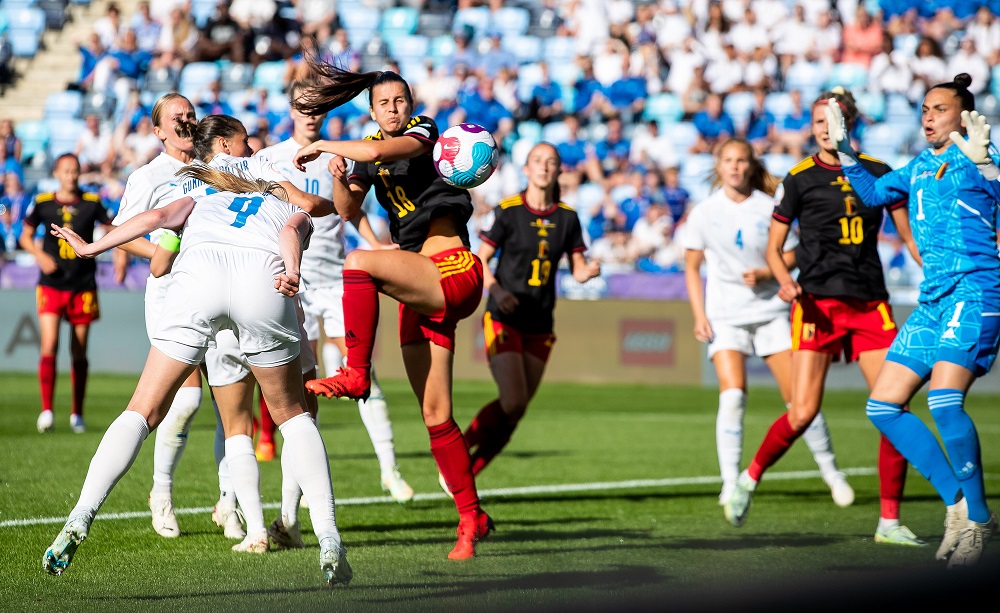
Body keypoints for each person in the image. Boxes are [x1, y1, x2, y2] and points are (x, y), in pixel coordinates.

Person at [42, 165, 352, 587]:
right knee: (292, 416)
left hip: (198, 277)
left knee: (143, 410)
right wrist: (293, 273)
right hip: (262, 278)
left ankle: (81, 512)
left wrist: (91, 248)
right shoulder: (287, 208)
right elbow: (289, 236)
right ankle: (329, 536)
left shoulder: (201, 199)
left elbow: (153, 220)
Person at [289, 59, 494, 560]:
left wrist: (323, 145)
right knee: (436, 415)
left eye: (400, 100)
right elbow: (345, 209)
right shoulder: (364, 150)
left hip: (452, 269)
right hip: (419, 289)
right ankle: (472, 518)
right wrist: (340, 175)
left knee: (360, 261)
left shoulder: (426, 132)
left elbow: (384, 151)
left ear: (411, 104)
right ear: (373, 109)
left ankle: (356, 374)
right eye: (384, 103)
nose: (394, 108)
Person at [723, 88, 925, 548]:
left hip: (870, 303)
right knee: (803, 412)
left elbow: (909, 238)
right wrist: (785, 280)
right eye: (818, 122)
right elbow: (775, 251)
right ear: (812, 128)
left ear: (849, 124)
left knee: (893, 408)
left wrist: (933, 267)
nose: (827, 129)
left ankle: (888, 522)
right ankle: (749, 478)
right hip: (817, 305)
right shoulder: (798, 179)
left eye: (835, 120)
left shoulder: (878, 173)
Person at [830, 74, 1000, 567]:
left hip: (975, 292)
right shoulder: (922, 163)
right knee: (882, 408)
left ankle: (980, 521)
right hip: (934, 301)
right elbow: (875, 193)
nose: (928, 116)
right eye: (925, 108)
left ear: (962, 115)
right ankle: (958, 506)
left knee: (945, 402)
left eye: (940, 109)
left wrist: (987, 164)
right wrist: (846, 153)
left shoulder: (976, 160)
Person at [256, 79, 415, 503]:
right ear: (291, 108)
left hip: (334, 280)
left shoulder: (337, 152)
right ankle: (295, 486)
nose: (311, 113)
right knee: (294, 387)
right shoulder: (267, 159)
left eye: (318, 107)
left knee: (364, 376)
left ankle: (389, 469)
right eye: (304, 106)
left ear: (326, 112)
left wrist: (376, 245)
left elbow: (349, 212)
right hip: (288, 285)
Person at [682, 138, 854, 508]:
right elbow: (692, 266)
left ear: (751, 165)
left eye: (741, 160)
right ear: (719, 166)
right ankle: (731, 485)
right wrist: (699, 315)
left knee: (799, 401)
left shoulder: (769, 206)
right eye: (728, 160)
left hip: (771, 312)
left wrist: (767, 272)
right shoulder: (704, 212)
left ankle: (831, 472)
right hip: (725, 316)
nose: (735, 167)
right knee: (732, 396)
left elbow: (794, 252)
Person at [460, 142, 600, 477]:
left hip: (540, 322)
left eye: (551, 161)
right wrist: (496, 289)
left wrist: (588, 272)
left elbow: (578, 270)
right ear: (526, 169)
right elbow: (481, 261)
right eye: (537, 160)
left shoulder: (568, 218)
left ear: (558, 171)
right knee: (512, 400)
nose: (544, 166)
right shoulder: (508, 211)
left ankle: (469, 471)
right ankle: (459, 450)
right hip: (504, 315)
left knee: (517, 409)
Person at [109, 93, 209, 539]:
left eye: (191, 114)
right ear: (159, 130)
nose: (187, 121)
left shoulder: (214, 167)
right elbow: (121, 233)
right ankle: (161, 493)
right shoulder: (149, 175)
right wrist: (168, 256)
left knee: (232, 398)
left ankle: (230, 502)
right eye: (178, 117)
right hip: (172, 295)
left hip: (220, 291)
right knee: (185, 399)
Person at [18, 154, 120, 434]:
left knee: (79, 350)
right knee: (49, 343)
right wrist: (39, 256)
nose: (71, 176)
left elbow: (112, 231)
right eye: (66, 171)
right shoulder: (43, 203)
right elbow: (24, 236)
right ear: (57, 172)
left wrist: (118, 255)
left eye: (75, 171)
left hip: (83, 284)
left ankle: (77, 413)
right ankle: (47, 410)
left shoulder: (92, 203)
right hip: (51, 283)